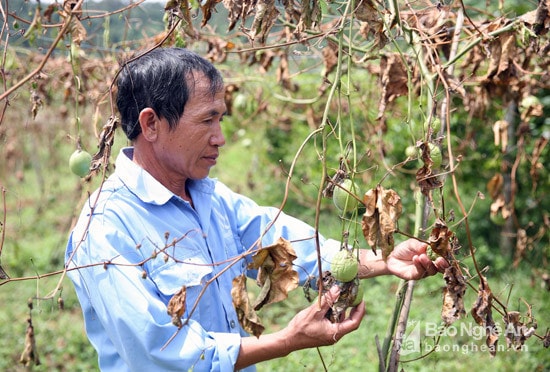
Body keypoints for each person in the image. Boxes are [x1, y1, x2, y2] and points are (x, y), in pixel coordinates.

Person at [65, 47, 448, 371]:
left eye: (221, 118)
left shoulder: (209, 198)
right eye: (207, 120)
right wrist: (285, 341)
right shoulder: (105, 227)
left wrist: (382, 260)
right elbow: (158, 354)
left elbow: (285, 246)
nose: (220, 137)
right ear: (151, 124)